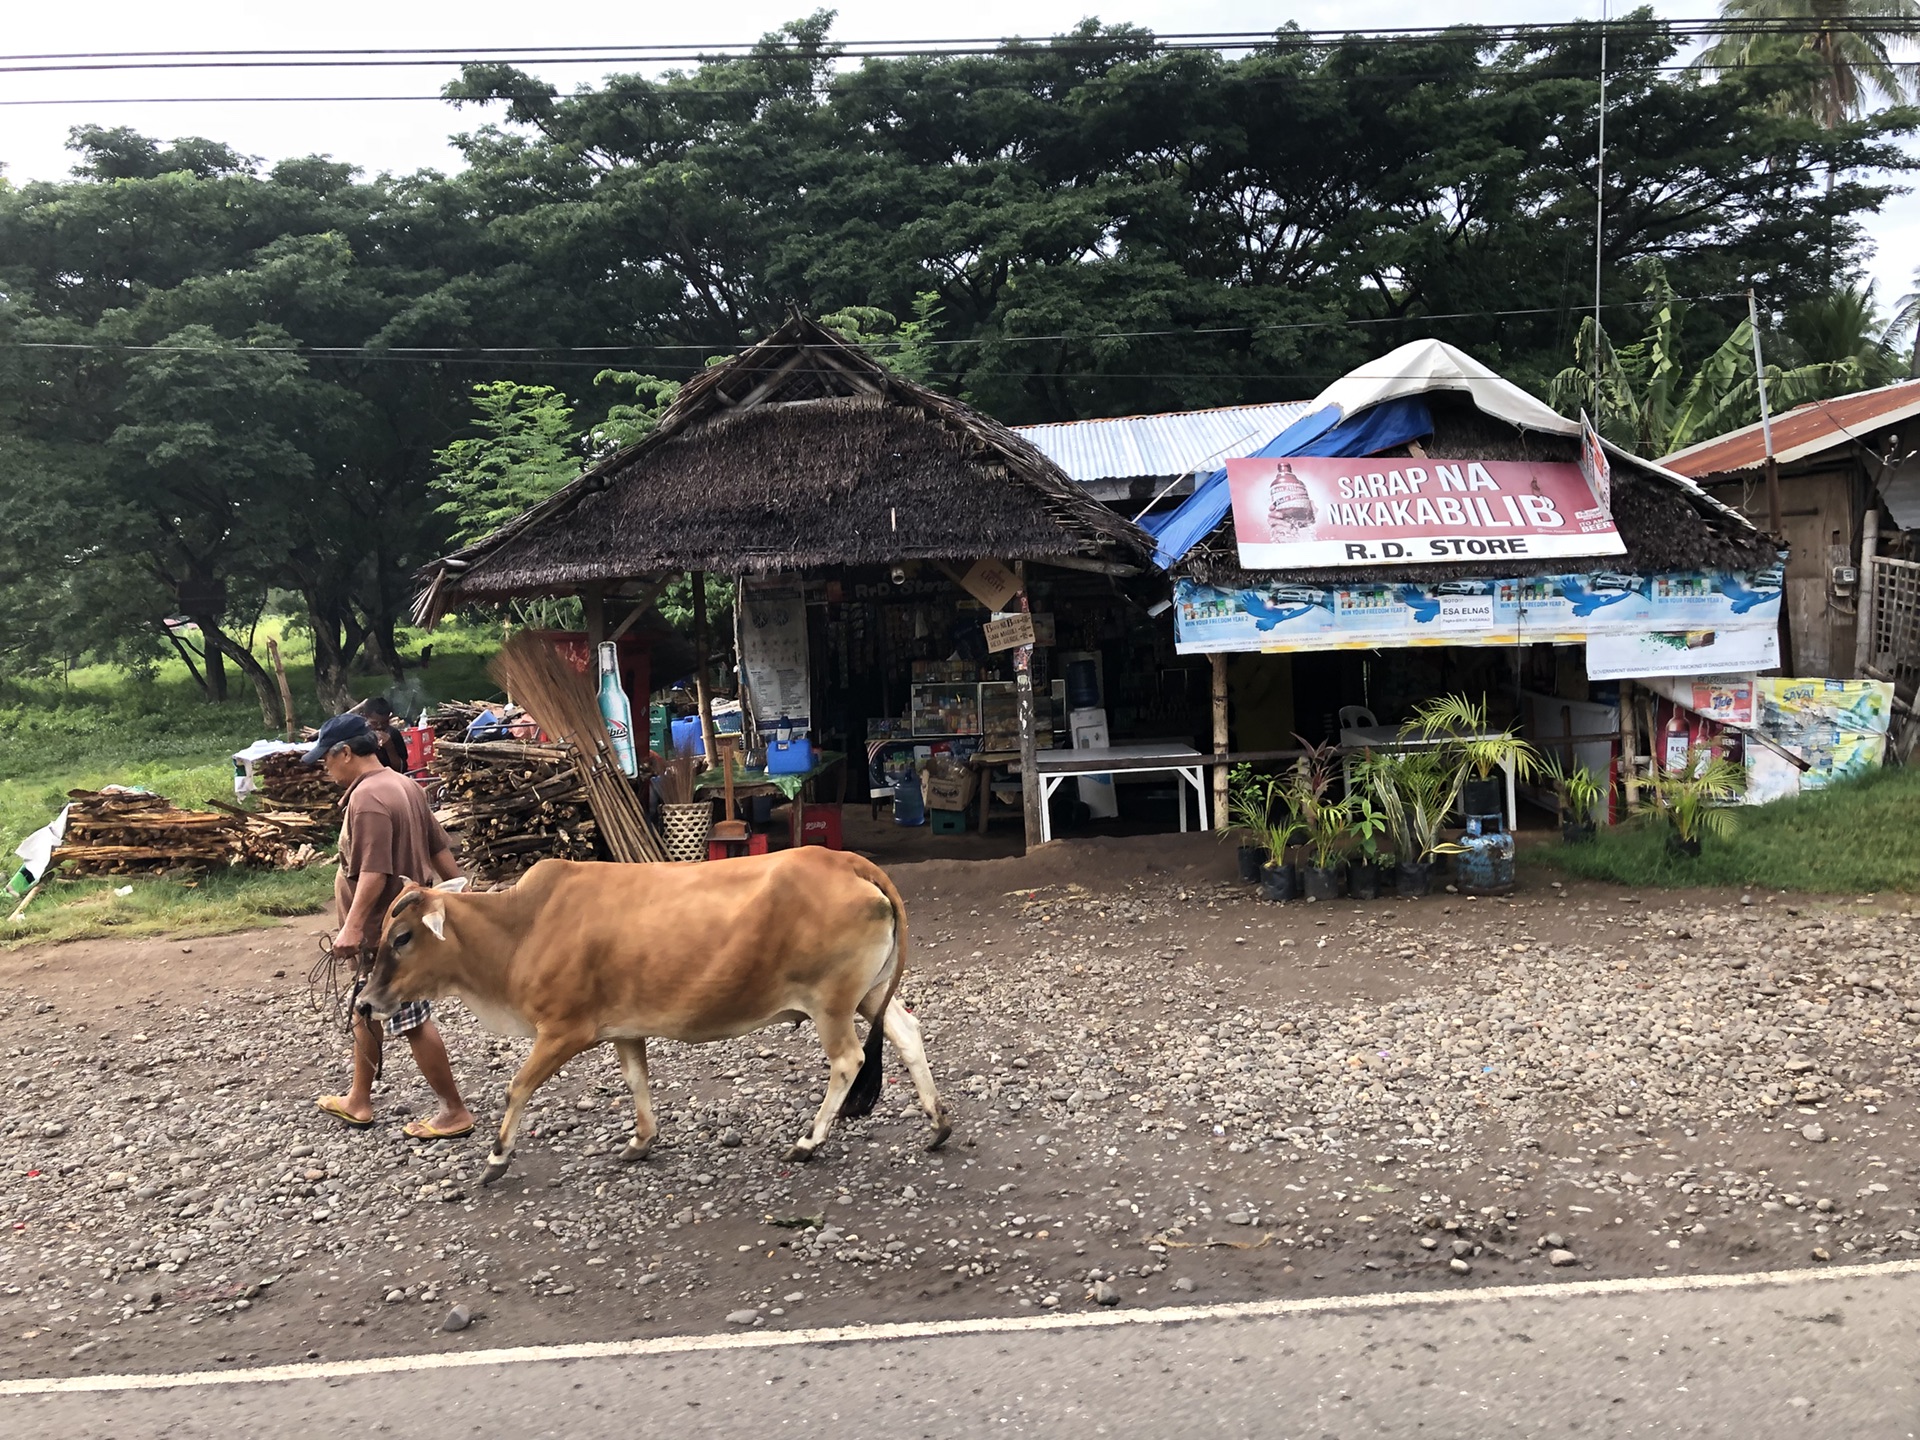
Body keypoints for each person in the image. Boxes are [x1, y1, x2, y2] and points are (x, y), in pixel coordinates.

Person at [308, 713, 476, 1140]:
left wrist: (351, 927)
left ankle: (455, 1111)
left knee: (413, 1019)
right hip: (397, 927)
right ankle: (358, 1099)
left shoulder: (368, 799)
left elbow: (374, 873)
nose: (324, 768)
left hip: (388, 936)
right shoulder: (404, 784)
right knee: (367, 1005)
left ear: (346, 752)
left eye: (326, 759)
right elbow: (439, 848)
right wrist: (461, 898)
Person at [351, 697, 413, 774]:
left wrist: (390, 748)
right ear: (365, 718)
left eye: (384, 723)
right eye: (374, 723)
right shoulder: (359, 736)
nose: (379, 727)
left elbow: (400, 770)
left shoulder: (393, 734)